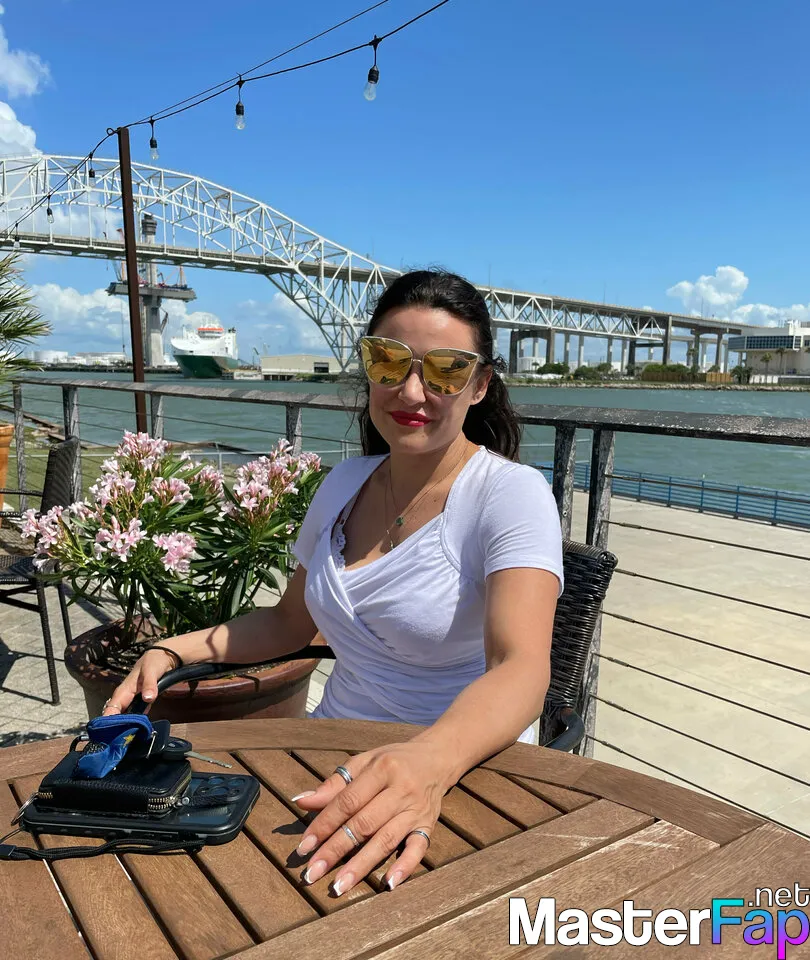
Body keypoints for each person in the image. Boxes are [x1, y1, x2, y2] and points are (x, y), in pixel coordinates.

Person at [103, 269, 563, 897]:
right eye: (388, 361)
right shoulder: (344, 483)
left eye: (446, 371)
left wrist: (430, 761)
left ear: (480, 385)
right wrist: (173, 649)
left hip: (457, 770)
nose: (412, 389)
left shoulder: (510, 495)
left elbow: (522, 667)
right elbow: (289, 622)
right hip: (327, 748)